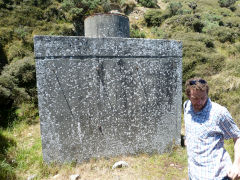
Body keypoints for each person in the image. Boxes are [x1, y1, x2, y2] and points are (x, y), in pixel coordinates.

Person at [183, 77, 240, 180]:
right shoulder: (187, 107)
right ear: (188, 96)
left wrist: (237, 165)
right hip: (194, 174)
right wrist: (187, 139)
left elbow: (237, 136)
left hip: (217, 176)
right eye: (195, 98)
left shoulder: (219, 113)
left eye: (203, 98)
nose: (199, 102)